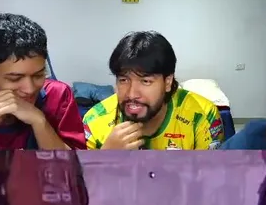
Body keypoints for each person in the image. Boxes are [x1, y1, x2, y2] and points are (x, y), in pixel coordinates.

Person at [82, 31, 224, 150]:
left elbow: (213, 173)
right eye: (123, 80)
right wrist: (106, 156)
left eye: (145, 81)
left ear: (167, 82)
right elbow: (78, 174)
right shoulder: (95, 121)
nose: (131, 94)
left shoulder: (201, 115)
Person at [0, 13, 85, 151]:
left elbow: (77, 162)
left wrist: (39, 121)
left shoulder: (58, 95)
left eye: (38, 75)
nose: (30, 89)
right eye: (15, 78)